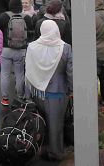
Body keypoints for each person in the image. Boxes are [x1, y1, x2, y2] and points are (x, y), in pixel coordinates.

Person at [25, 20, 73, 161]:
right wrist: (71, 90)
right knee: (55, 125)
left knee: (41, 122)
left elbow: (27, 70)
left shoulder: (32, 47)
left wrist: (27, 92)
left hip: (36, 92)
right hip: (57, 92)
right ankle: (55, 153)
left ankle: (42, 149)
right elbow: (70, 72)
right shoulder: (65, 48)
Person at [0, 0, 35, 106]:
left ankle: (5, 98)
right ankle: (19, 96)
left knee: (5, 73)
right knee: (20, 74)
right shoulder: (27, 18)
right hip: (21, 50)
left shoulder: (3, 16)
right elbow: (31, 34)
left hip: (6, 49)